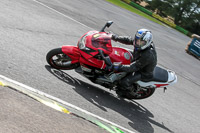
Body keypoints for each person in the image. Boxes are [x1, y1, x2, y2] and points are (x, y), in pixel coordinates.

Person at [108, 29, 157, 93]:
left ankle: (127, 91)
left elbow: (134, 67)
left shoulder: (148, 55)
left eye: (141, 42)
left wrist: (119, 67)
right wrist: (115, 37)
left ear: (147, 42)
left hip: (143, 71)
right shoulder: (139, 43)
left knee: (124, 82)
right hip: (138, 58)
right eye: (137, 40)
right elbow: (129, 40)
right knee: (119, 51)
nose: (138, 43)